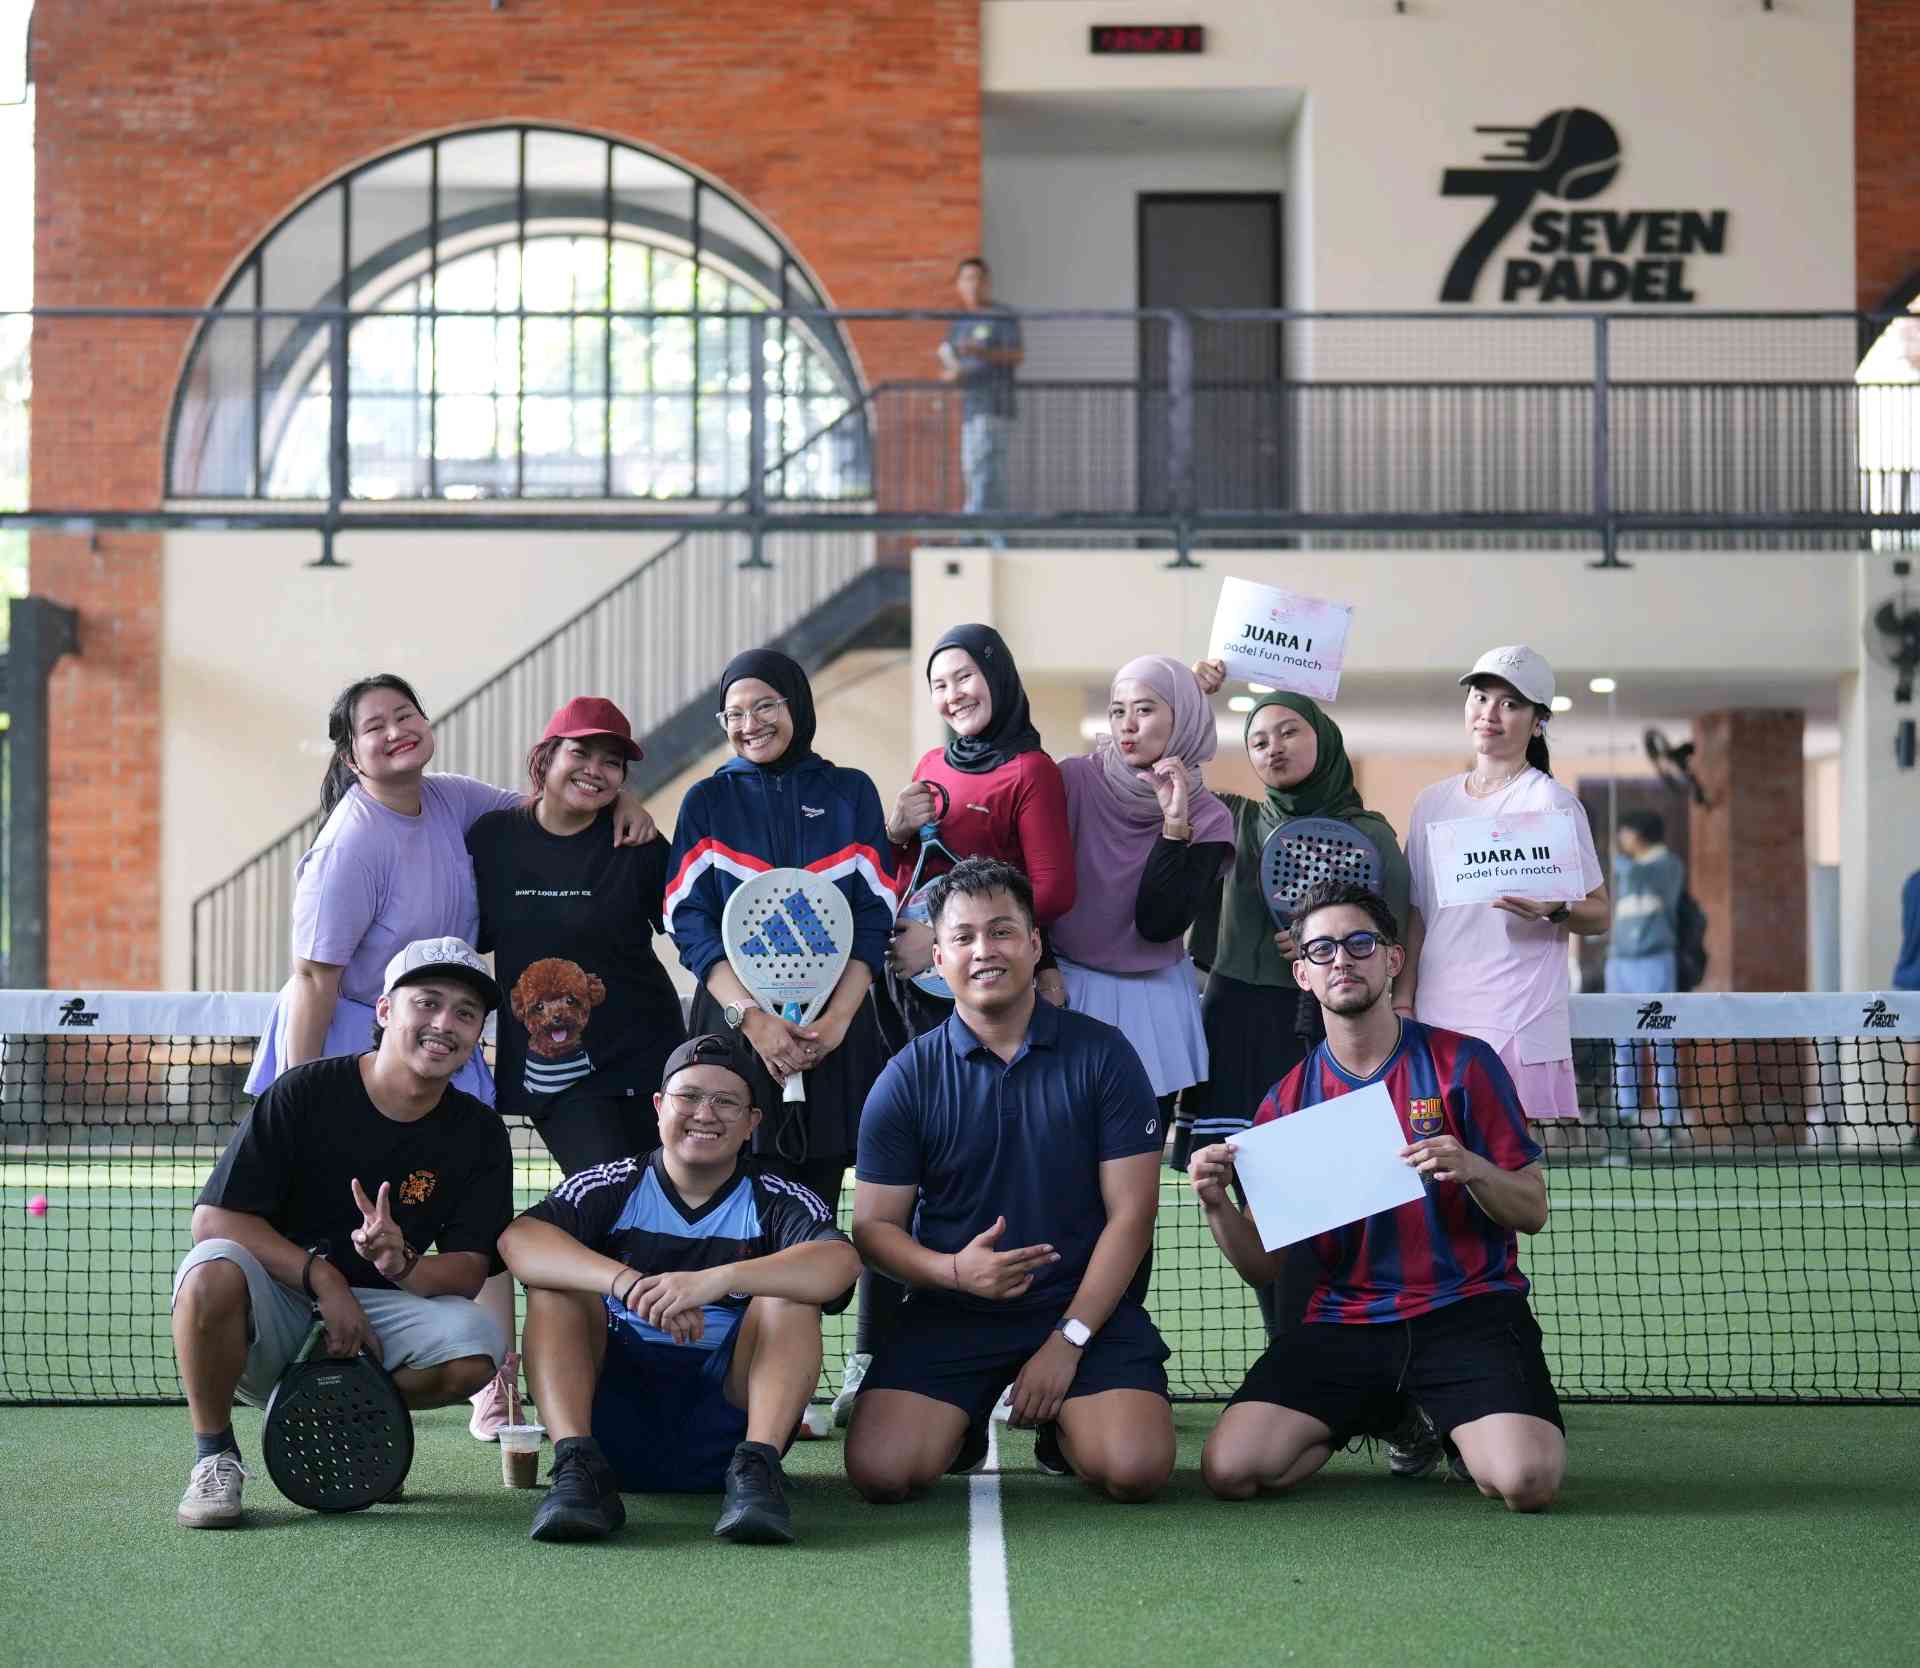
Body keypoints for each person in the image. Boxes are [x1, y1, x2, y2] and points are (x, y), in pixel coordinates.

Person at [1189, 880, 1565, 1514]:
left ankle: (1451, 1417)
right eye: (1322, 950)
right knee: (1232, 1471)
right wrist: (1215, 1204)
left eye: (1360, 944)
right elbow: (1264, 1268)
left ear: (1393, 959)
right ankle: (1390, 1412)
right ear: (1302, 974)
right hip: (1347, 1322)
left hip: (1468, 1310)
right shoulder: (1285, 1103)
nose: (1342, 959)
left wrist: (1472, 1167)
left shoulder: (1464, 1064)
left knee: (1525, 1483)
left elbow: (1532, 1211)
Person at [845, 857, 1175, 1506]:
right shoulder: (906, 1077)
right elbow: (873, 1228)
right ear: (938, 959)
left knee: (1133, 1470)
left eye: (1001, 932)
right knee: (882, 1473)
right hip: (951, 1309)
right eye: (964, 937)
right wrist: (952, 1272)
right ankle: (961, 1421)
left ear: (1034, 944)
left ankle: (1062, 1425)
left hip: (1081, 1309)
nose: (984, 951)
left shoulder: (1105, 1056)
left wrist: (1068, 1340)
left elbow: (1133, 1216)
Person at [170, 937, 513, 1529]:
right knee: (209, 1269)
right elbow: (214, 1219)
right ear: (385, 1010)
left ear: (478, 1032)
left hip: (381, 1318)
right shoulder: (304, 1092)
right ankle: (215, 1456)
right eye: (427, 1003)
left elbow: (468, 1268)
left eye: (465, 1013)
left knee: (479, 1343)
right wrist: (324, 1280)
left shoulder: (479, 1133)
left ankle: (350, 1416)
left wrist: (402, 1264)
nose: (444, 1024)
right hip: (281, 1302)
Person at [497, 1033, 861, 1545]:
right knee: (556, 1287)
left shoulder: (778, 1198)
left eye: (726, 1101)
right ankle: (577, 1468)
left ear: (753, 1122)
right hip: (611, 1426)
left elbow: (840, 1263)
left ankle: (758, 1472)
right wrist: (628, 1284)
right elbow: (519, 1240)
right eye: (688, 1096)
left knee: (787, 1291)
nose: (704, 1114)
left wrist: (716, 1280)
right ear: (658, 1106)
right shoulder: (612, 1183)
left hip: (728, 1427)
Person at [847, 624, 1076, 1421]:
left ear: (998, 679)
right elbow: (901, 875)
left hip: (989, 997)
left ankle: (1021, 1346)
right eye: (939, 684)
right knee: (902, 1178)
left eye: (966, 677)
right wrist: (895, 832)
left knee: (994, 1166)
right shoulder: (928, 766)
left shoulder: (1032, 771)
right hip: (913, 1000)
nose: (953, 695)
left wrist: (950, 934)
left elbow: (1054, 890)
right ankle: (874, 1355)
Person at [246, 673, 652, 1102]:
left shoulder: (452, 796)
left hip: (433, 1034)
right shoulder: (347, 847)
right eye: (375, 727)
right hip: (348, 1047)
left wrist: (619, 798)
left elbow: (547, 812)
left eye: (405, 716)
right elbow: (313, 979)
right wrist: (299, 1092)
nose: (396, 731)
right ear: (350, 757)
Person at [1186, 668, 1413, 1342]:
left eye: (1289, 732)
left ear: (1324, 739)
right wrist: (1193, 697)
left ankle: (1352, 1349)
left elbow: (1394, 935)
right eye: (1258, 740)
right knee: (1257, 1204)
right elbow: (1156, 775)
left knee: (1336, 1207)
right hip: (1238, 1024)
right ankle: (1291, 1351)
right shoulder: (1234, 818)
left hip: (1329, 1034)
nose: (1273, 748)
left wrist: (1329, 941)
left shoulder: (1371, 834)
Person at [665, 648, 897, 1217]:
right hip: (734, 1027)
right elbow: (687, 920)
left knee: (814, 1212)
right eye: (734, 714)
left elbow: (874, 916)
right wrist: (754, 1020)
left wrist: (834, 1024)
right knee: (729, 1212)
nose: (750, 724)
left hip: (834, 1030)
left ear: (797, 705)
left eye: (765, 706)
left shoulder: (851, 793)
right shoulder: (707, 801)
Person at [468, 695, 685, 1176]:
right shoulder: (492, 838)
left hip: (646, 1054)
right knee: (605, 1189)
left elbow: (691, 931)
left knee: (658, 1194)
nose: (594, 770)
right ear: (547, 757)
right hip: (554, 1068)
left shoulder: (637, 844)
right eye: (580, 753)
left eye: (612, 762)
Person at [1398, 645, 1608, 1122]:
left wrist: (1555, 909)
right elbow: (1417, 914)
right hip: (1438, 1011)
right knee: (1435, 1153)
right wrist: (1404, 1001)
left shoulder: (1550, 802)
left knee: (1505, 1158)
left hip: (1517, 1014)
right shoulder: (1431, 803)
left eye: (1510, 704)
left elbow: (1600, 913)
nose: (1489, 714)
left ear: (1538, 723)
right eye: (1480, 697)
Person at [1052, 654, 1233, 1121]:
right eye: (1118, 711)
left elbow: (1159, 924)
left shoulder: (1209, 816)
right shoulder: (1072, 780)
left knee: (1138, 1150)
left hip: (1155, 999)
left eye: (1145, 709)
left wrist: (1175, 826)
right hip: (1064, 985)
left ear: (1183, 716)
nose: (1127, 725)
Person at [1605, 809, 1686, 1133]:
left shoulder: (1667, 865)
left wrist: (1618, 859)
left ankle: (1669, 1121)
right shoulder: (1625, 868)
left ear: (1638, 833)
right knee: (1622, 1042)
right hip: (1620, 963)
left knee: (1661, 1041)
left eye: (1625, 831)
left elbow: (1643, 878)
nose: (1621, 838)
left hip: (1654, 961)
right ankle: (1626, 1115)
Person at [939, 256, 1023, 534]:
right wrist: (952, 374)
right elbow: (951, 363)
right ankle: (995, 534)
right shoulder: (959, 323)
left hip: (995, 405)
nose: (972, 285)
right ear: (958, 285)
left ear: (987, 283)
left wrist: (981, 352)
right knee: (978, 470)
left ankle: (971, 530)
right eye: (966, 279)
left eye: (977, 279)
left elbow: (1016, 355)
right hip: (971, 407)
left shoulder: (1000, 316)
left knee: (984, 468)